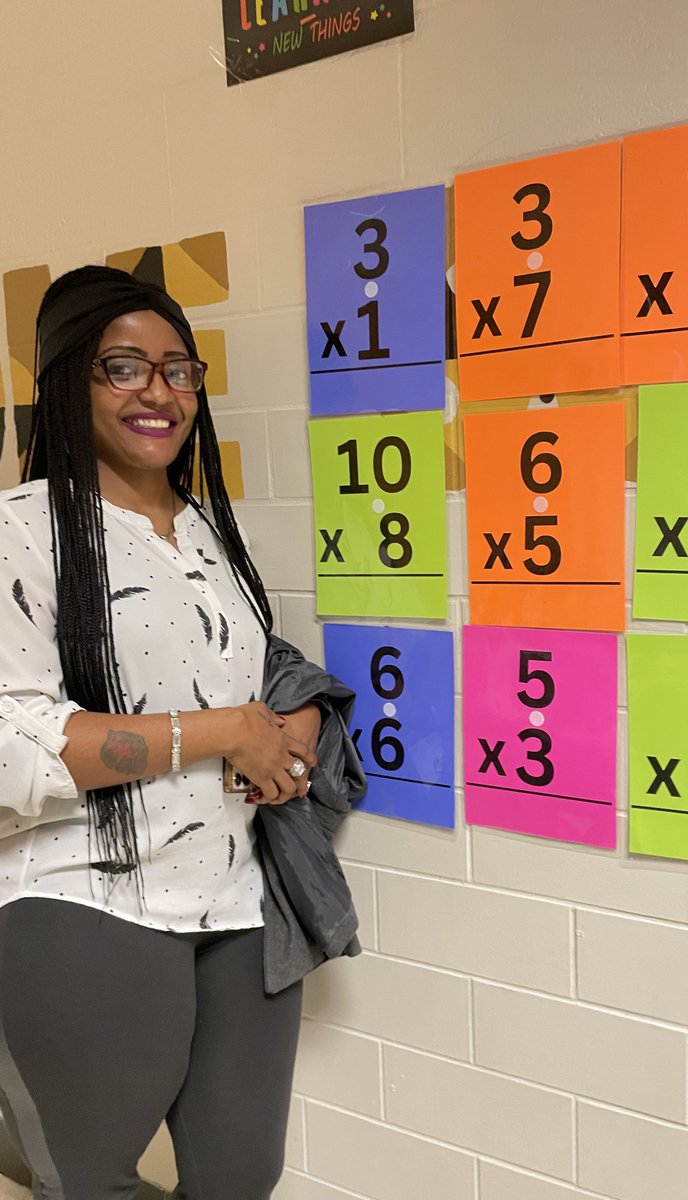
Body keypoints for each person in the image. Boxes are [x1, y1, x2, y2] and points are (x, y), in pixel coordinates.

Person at [0, 265, 324, 1199]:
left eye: (180, 369)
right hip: (85, 904)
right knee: (89, 1182)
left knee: (237, 1179)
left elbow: (253, 670)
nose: (160, 391)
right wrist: (225, 730)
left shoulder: (206, 531)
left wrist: (290, 720)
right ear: (68, 381)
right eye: (124, 367)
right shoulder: (23, 531)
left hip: (236, 904)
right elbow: (19, 748)